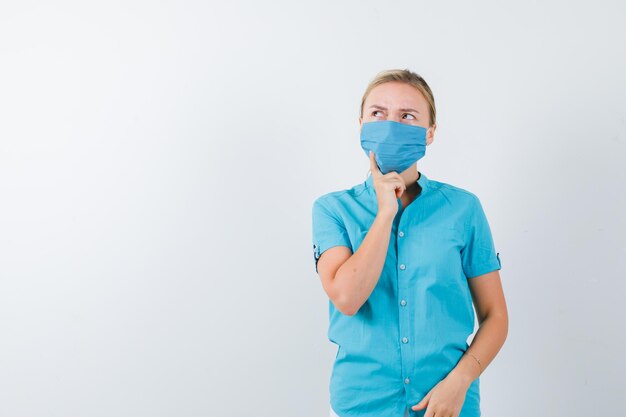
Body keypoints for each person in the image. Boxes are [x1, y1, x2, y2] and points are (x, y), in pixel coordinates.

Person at [311, 69, 509, 417]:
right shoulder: (332, 210)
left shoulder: (463, 209)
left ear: (429, 132)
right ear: (361, 124)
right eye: (378, 114)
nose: (391, 125)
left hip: (447, 405)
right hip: (361, 404)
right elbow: (347, 298)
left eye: (407, 116)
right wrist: (384, 212)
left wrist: (460, 381)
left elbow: (495, 316)